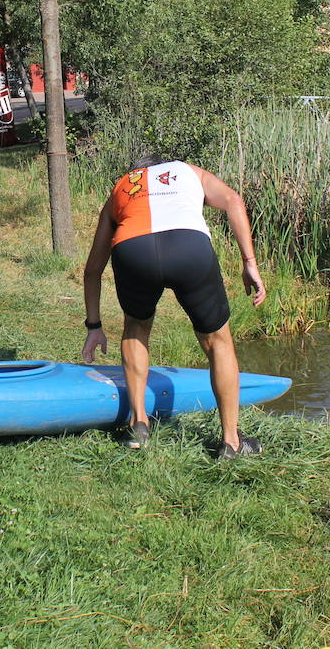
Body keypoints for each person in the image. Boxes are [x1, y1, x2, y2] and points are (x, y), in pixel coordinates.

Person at [81, 155, 267, 459]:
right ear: (166, 164)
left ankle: (138, 423)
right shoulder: (187, 170)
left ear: (140, 169)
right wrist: (249, 263)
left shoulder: (123, 186)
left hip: (132, 250)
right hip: (188, 247)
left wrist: (94, 327)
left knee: (136, 326)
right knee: (218, 341)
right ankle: (231, 442)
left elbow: (92, 270)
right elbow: (233, 199)